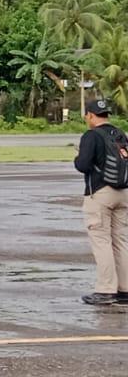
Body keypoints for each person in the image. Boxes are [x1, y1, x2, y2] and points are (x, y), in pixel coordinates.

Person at [74, 98, 128, 305]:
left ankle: (106, 290)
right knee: (120, 241)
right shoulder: (119, 133)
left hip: (100, 193)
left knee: (101, 241)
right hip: (123, 192)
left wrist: (77, 158)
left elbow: (83, 165)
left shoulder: (91, 136)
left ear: (89, 115)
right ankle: (124, 289)